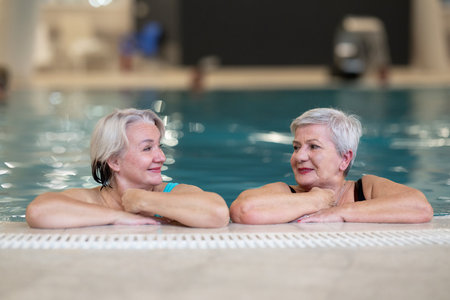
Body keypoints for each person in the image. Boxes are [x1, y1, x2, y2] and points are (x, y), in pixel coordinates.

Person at [26, 108, 230, 229]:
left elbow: (218, 213)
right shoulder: (92, 200)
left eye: (159, 146)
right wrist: (118, 216)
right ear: (114, 161)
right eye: (147, 148)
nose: (161, 157)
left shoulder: (170, 193)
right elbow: (38, 210)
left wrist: (144, 200)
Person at [230, 108, 433, 224]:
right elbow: (242, 210)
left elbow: (420, 207)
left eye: (313, 147)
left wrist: (340, 212)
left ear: (345, 159)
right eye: (296, 147)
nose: (299, 156)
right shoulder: (286, 192)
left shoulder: (366, 189)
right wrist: (315, 200)